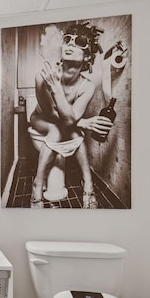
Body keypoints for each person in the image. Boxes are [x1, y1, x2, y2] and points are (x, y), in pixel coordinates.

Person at [30, 22, 113, 209]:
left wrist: (76, 122)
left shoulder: (88, 86)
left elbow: (69, 120)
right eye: (67, 40)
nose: (70, 44)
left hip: (64, 121)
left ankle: (88, 186)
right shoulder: (42, 77)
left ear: (88, 56)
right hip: (42, 118)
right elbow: (52, 114)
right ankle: (37, 187)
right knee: (56, 130)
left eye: (79, 42)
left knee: (75, 134)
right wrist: (82, 122)